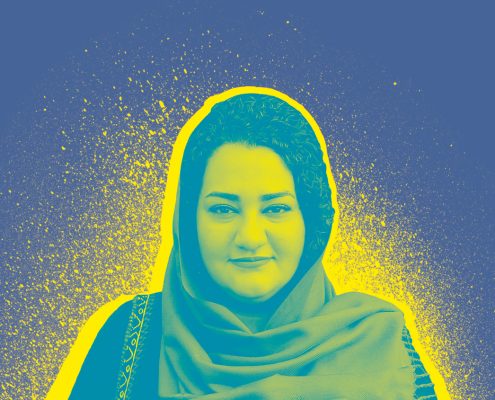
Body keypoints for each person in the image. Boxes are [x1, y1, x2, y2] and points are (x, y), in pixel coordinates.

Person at [65, 87, 437, 399]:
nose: (250, 238)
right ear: (189, 221)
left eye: (276, 208)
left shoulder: (381, 347)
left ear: (311, 221)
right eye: (223, 209)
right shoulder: (133, 338)